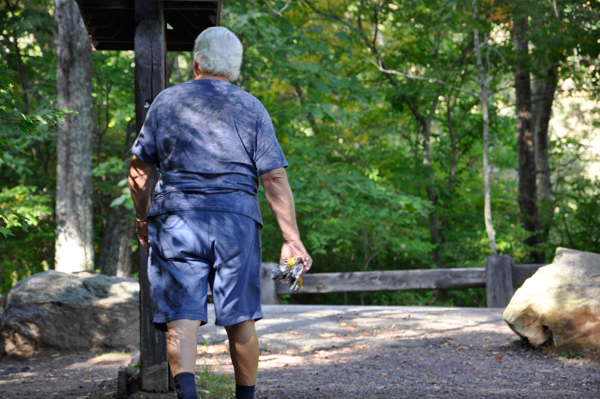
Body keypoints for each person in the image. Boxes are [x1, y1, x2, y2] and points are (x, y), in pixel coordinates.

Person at [128, 27, 312, 399]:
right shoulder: (252, 107)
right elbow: (273, 176)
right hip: (237, 222)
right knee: (241, 315)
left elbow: (139, 170)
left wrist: (143, 218)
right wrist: (291, 238)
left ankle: (188, 395)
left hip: (176, 219)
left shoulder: (165, 102)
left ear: (197, 62)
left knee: (182, 313)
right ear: (235, 68)